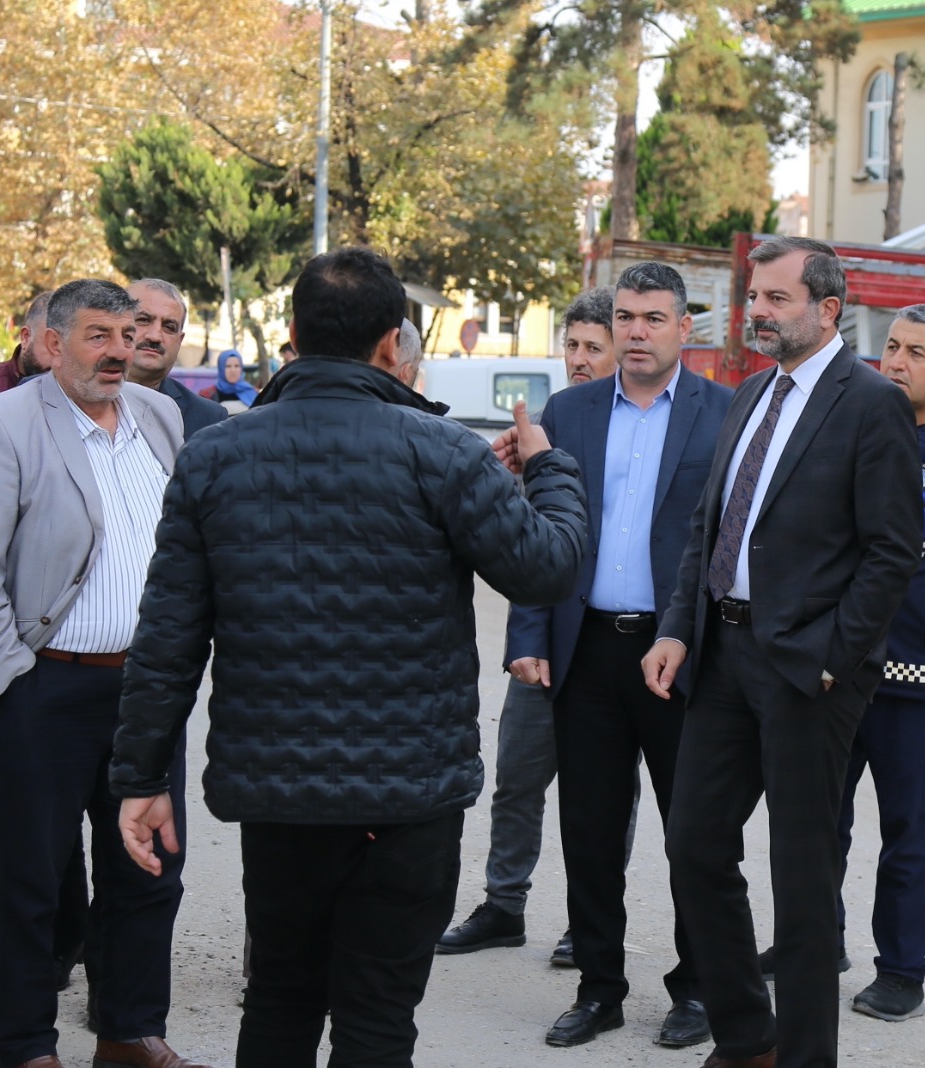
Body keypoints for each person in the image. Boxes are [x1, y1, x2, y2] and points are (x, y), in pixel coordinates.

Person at [108, 246, 590, 1068]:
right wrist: (547, 466)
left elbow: (167, 637)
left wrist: (141, 777)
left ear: (293, 337)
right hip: (409, 793)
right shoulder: (443, 452)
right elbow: (550, 567)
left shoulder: (217, 454)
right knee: (377, 1020)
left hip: (280, 791)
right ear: (392, 344)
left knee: (280, 998)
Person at [641, 236, 923, 1068]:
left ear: (827, 310)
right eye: (754, 296)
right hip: (723, 655)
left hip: (809, 671)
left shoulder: (871, 403)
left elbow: (892, 552)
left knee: (801, 878)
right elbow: (709, 526)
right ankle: (747, 1039)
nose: (756, 312)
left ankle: (804, 1057)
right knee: (694, 844)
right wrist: (677, 627)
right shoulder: (752, 393)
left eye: (775, 299)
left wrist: (836, 657)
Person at [0, 279, 206, 1068]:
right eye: (101, 335)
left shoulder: (159, 416)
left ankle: (128, 1032)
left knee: (148, 871)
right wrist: (10, 683)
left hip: (145, 693)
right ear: (52, 344)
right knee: (36, 880)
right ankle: (27, 1047)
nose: (122, 350)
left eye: (129, 334)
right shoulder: (2, 424)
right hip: (44, 690)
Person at [757, 304, 925, 1022]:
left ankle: (903, 970)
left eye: (917, 353)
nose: (897, 362)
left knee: (909, 835)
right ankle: (813, 943)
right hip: (835, 672)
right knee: (815, 822)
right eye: (893, 347)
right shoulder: (846, 427)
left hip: (923, 689)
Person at [487, 267, 731, 1049]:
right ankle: (600, 989)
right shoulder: (571, 411)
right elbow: (542, 529)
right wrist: (529, 636)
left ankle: (697, 988)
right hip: (586, 650)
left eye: (653, 318)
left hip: (678, 655)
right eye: (625, 317)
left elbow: (728, 542)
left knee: (693, 832)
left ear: (683, 328)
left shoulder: (725, 413)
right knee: (589, 832)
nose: (635, 332)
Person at [437, 286, 625, 966]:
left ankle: (589, 921)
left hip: (614, 643)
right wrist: (524, 641)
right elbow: (528, 545)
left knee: (604, 796)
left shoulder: (646, 431)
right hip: (546, 640)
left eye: (592, 347)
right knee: (517, 778)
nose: (578, 359)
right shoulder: (549, 425)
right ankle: (503, 905)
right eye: (571, 345)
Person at [127, 279, 228, 438]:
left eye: (169, 327)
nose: (155, 336)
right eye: (144, 320)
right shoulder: (85, 399)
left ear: (179, 341)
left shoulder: (208, 419)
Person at [0, 292, 53, 399]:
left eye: (67, 350)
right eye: (52, 345)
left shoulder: (75, 393)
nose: (60, 361)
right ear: (26, 337)